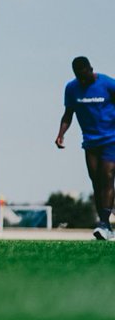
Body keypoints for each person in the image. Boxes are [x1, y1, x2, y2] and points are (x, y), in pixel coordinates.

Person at [55, 56, 115, 241]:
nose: (82, 80)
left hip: (111, 138)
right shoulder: (72, 88)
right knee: (96, 181)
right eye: (78, 77)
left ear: (90, 69)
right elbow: (68, 114)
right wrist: (60, 134)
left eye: (85, 75)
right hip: (90, 141)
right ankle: (104, 223)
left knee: (107, 176)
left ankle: (104, 224)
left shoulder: (107, 84)